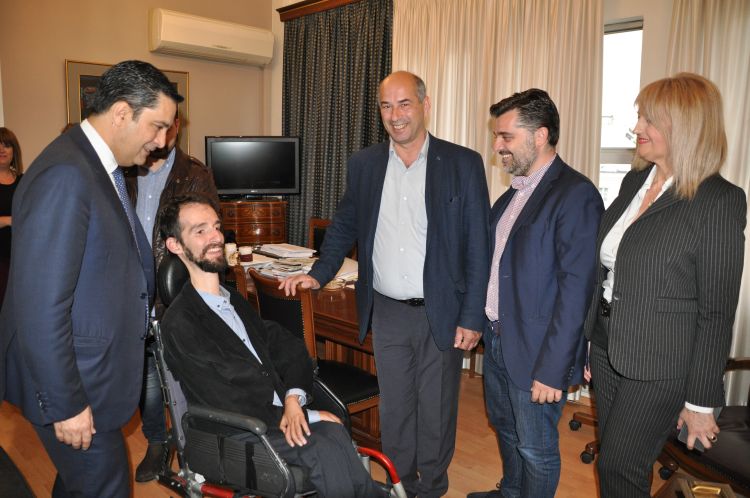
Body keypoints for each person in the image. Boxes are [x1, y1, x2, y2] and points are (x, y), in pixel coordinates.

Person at [282, 71, 490, 498]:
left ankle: (431, 488)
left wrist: (472, 317)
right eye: (386, 106)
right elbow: (344, 225)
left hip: (440, 310)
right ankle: (400, 485)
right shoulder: (365, 164)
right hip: (387, 310)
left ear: (425, 105)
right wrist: (319, 273)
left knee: (435, 410)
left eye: (404, 104)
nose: (395, 115)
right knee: (396, 408)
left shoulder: (462, 164)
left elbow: (478, 246)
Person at [0, 60, 182, 498]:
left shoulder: (95, 167)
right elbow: (39, 306)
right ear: (121, 113)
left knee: (78, 484)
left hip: (91, 373)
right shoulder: (66, 174)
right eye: (157, 126)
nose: (162, 142)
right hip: (73, 383)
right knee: (106, 487)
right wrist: (66, 403)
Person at [158, 193, 389, 498]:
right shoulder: (181, 323)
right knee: (323, 445)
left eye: (216, 227)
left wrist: (294, 399)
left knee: (334, 434)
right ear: (175, 245)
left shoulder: (232, 300)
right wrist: (302, 415)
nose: (215, 237)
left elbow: (288, 346)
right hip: (237, 433)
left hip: (270, 416)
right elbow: (226, 395)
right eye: (200, 231)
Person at [583, 73, 746, 498]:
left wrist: (700, 401)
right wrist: (591, 339)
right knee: (617, 462)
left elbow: (716, 311)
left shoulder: (718, 200)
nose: (636, 127)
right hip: (607, 345)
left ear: (686, 127)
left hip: (660, 363)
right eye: (640, 116)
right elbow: (608, 272)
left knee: (619, 465)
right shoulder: (634, 182)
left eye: (649, 119)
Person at [468, 89, 603, 498]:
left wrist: (553, 368)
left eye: (506, 136)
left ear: (540, 135)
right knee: (506, 428)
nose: (497, 145)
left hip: (538, 351)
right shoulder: (512, 196)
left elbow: (577, 290)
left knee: (535, 447)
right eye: (497, 136)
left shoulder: (575, 194)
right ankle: (511, 492)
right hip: (498, 340)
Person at [125, 111, 220, 482]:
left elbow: (207, 237)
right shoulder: (124, 169)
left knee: (187, 376)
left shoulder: (195, 174)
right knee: (146, 375)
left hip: (177, 290)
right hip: (132, 289)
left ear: (178, 127)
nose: (160, 135)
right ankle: (156, 441)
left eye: (168, 126)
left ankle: (195, 446)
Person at [0, 127, 23, 306]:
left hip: (19, 258)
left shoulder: (24, 181)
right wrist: (8, 220)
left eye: (6, 145)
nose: (2, 149)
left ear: (14, 150)